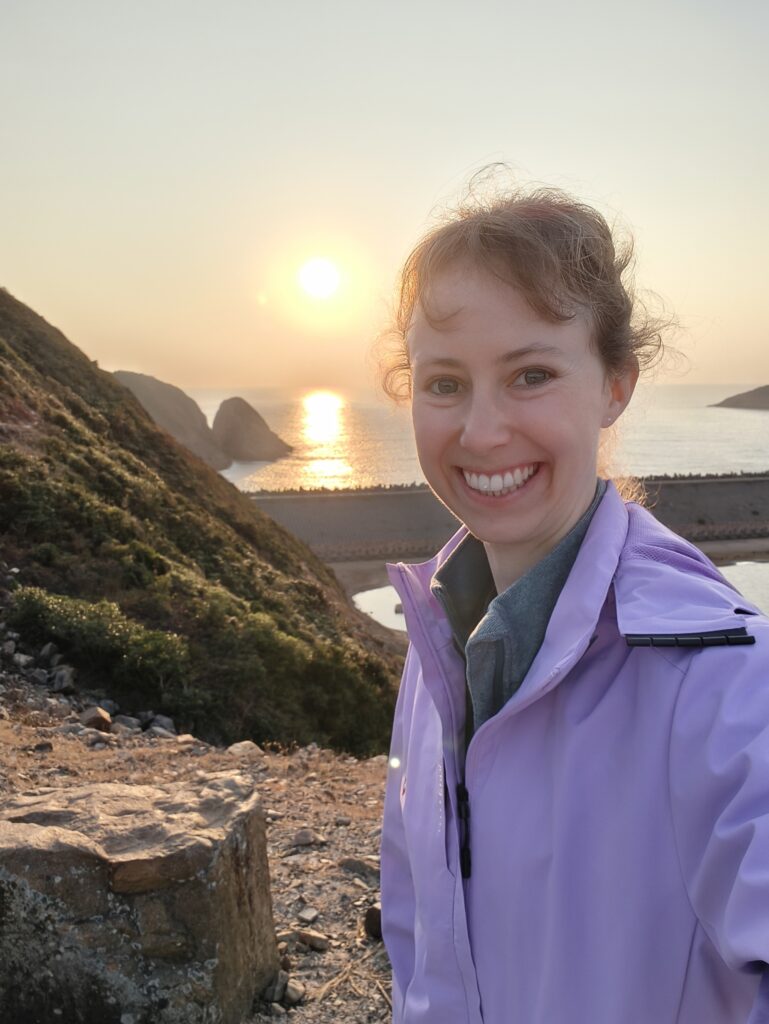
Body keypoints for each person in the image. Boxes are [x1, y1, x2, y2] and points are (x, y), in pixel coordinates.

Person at [378, 181, 769, 1024]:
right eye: (443, 383)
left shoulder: (721, 679)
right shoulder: (440, 631)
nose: (481, 432)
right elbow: (415, 933)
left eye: (530, 375)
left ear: (614, 385)